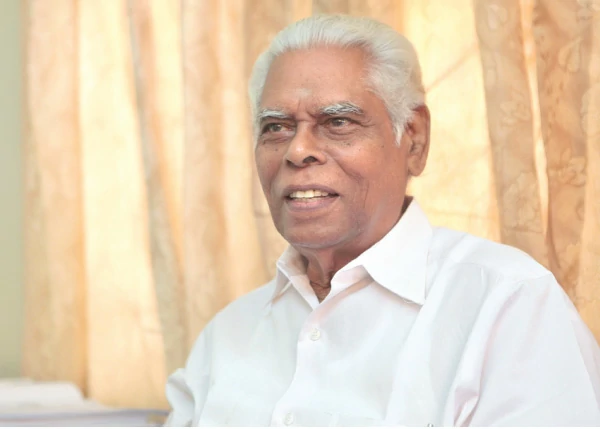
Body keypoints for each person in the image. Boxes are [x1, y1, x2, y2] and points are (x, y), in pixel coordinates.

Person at [165, 14, 600, 426]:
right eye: (276, 127)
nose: (297, 151)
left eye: (337, 121)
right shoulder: (225, 339)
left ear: (414, 140)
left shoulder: (508, 307)